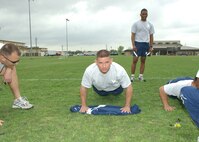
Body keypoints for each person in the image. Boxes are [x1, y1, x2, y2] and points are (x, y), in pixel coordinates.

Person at [0, 43, 33, 122]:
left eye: (18, 60)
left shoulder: (5, 48)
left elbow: (11, 63)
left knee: (11, 68)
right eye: (14, 62)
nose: (17, 64)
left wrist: (9, 70)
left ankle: (18, 100)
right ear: (2, 57)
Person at [130, 8, 155, 82]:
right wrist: (133, 45)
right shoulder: (136, 24)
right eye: (143, 14)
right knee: (135, 60)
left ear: (147, 15)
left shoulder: (150, 25)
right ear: (140, 14)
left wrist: (151, 46)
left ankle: (141, 76)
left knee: (143, 60)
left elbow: (151, 36)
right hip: (138, 43)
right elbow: (133, 35)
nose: (144, 15)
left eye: (146, 14)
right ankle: (132, 77)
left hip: (145, 44)